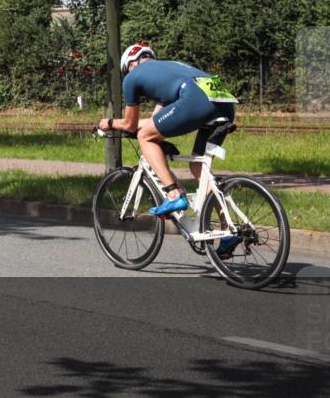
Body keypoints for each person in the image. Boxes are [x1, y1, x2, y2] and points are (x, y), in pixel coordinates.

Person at [98, 43, 241, 252]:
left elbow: (130, 124)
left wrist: (109, 124)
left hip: (194, 97)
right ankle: (229, 229)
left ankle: (173, 195)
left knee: (145, 138)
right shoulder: (168, 72)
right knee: (198, 168)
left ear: (131, 64)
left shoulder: (132, 77)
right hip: (223, 100)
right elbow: (156, 121)